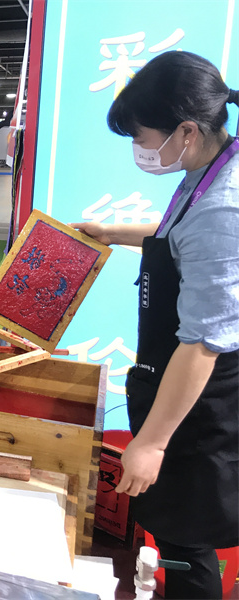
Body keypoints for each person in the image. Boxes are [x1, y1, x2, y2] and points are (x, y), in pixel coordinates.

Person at [71, 51, 239, 600]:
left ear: (186, 131)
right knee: (177, 531)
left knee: (187, 536)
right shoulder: (209, 167)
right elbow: (178, 236)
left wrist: (152, 443)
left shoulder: (225, 207)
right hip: (174, 376)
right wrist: (113, 233)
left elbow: (203, 343)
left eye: (142, 137)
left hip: (201, 399)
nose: (139, 149)